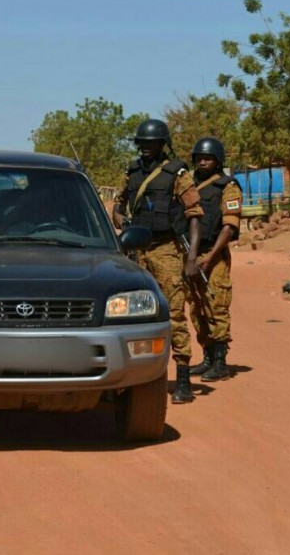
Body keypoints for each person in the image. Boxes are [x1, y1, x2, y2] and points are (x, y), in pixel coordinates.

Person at [112, 119, 204, 404]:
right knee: (130, 314)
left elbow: (195, 216)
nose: (145, 148)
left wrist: (191, 258)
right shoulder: (131, 172)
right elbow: (117, 207)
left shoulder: (178, 174)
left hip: (167, 251)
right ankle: (130, 380)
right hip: (136, 251)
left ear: (162, 144)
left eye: (151, 143)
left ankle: (183, 379)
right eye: (141, 143)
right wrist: (123, 222)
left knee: (174, 314)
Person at [186, 137, 242, 382]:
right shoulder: (189, 185)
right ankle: (207, 357)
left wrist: (209, 258)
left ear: (218, 161)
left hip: (214, 255)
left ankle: (220, 362)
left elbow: (229, 227)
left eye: (208, 158)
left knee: (216, 305)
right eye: (199, 158)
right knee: (196, 307)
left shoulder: (228, 186)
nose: (203, 162)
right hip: (191, 254)